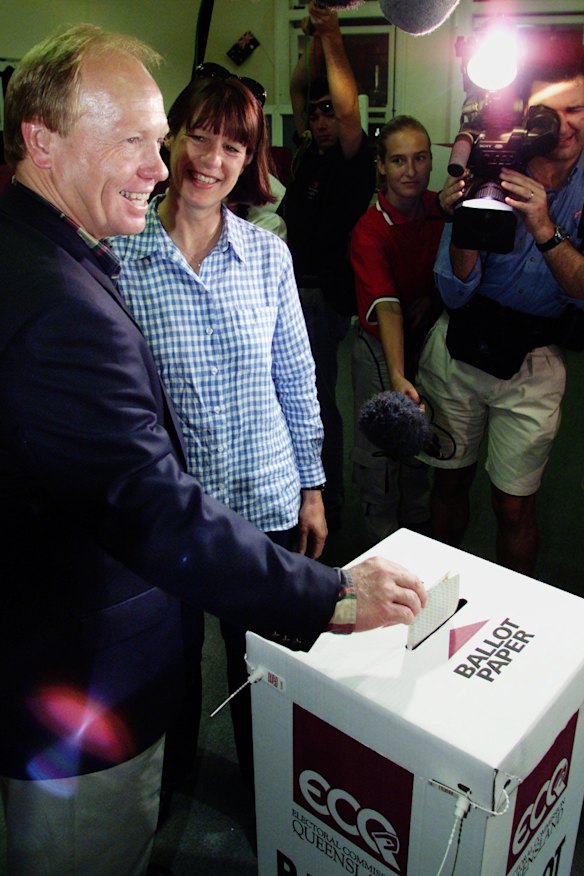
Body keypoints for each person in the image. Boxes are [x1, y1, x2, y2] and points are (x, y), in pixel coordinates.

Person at [0, 23, 426, 875]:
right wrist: (336, 596)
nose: (167, 167)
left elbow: (294, 382)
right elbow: (148, 501)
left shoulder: (79, 254)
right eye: (141, 141)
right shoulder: (78, 287)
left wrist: (310, 486)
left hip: (245, 511)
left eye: (164, 142)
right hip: (92, 659)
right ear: (42, 141)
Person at [109, 71, 326, 793]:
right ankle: (167, 798)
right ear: (171, 136)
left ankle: (269, 799)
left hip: (263, 500)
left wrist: (313, 487)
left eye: (234, 144)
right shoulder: (118, 257)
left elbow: (296, 376)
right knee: (167, 666)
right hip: (170, 512)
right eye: (200, 135)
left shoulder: (267, 256)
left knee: (259, 665)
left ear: (251, 159)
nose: (212, 158)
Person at [416, 48, 584, 577]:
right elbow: (455, 289)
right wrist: (467, 217)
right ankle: (437, 600)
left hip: (535, 358)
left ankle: (518, 611)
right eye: (547, 112)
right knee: (449, 479)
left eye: (576, 110)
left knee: (515, 503)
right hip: (462, 342)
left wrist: (542, 225)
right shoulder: (495, 163)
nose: (562, 127)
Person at [281, 0, 376, 530]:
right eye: (313, 114)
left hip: (322, 300)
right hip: (291, 289)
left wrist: (332, 33)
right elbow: (299, 88)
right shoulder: (307, 154)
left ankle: (327, 498)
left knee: (314, 401)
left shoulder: (350, 156)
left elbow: (344, 114)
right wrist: (312, 38)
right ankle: (302, 487)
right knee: (293, 395)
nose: (319, 120)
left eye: (326, 112)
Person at [350, 115, 447, 544]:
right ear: (381, 166)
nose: (410, 171)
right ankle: (381, 541)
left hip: (426, 340)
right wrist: (396, 373)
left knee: (421, 439)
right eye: (399, 160)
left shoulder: (438, 210)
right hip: (379, 349)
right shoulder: (370, 230)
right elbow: (387, 308)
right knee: (383, 447)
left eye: (420, 158)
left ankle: (419, 532)